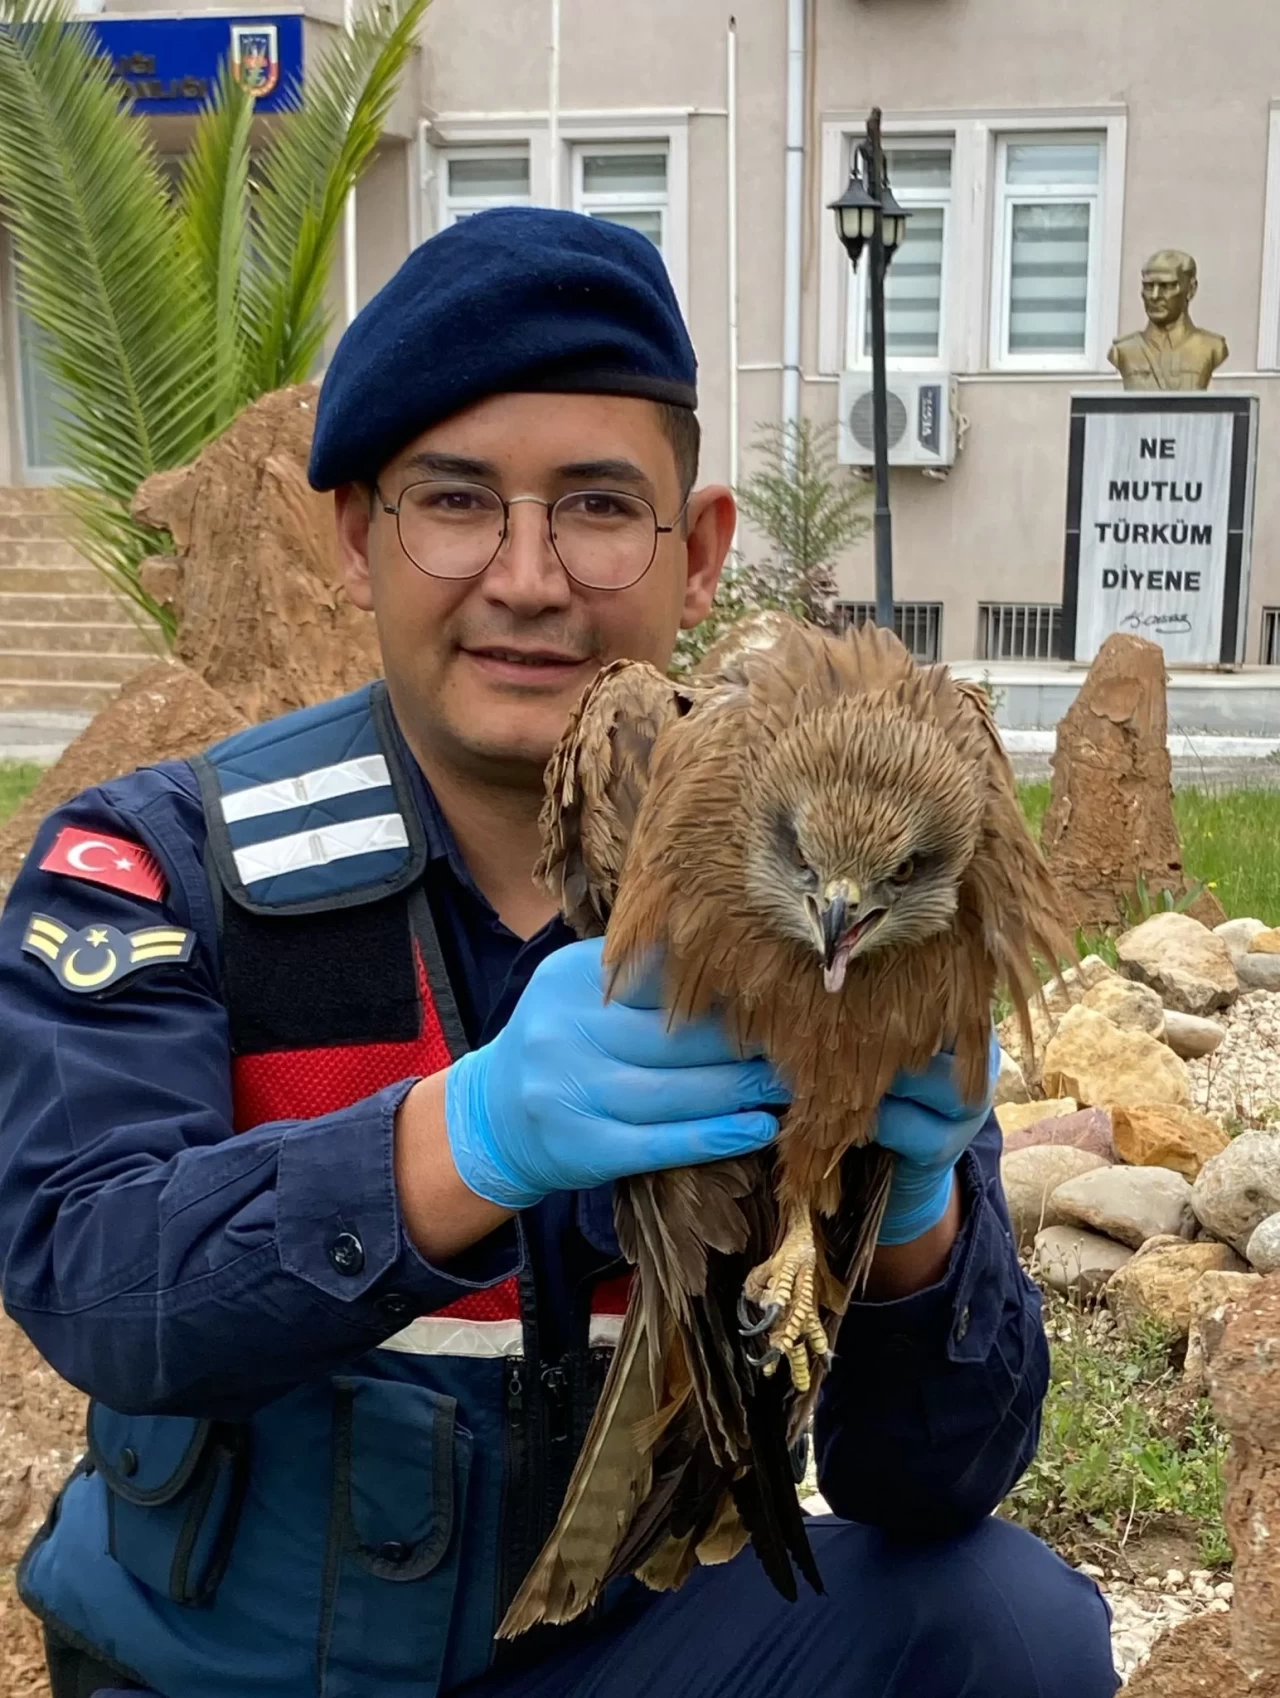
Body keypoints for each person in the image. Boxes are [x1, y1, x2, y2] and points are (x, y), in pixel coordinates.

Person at [0, 208, 1117, 1698]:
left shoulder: (841, 855)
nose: (526, 577)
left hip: (620, 1640)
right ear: (354, 537)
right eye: (455, 501)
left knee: (1004, 1632)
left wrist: (912, 1226)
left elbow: (931, 1480)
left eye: (596, 507)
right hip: (222, 1667)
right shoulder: (160, 864)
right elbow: (92, 1280)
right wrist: (456, 1144)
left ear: (697, 552)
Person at [1107, 248, 1228, 390]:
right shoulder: (1123, 350)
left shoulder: (1212, 346)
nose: (1154, 296)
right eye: (1148, 286)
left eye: (1167, 286)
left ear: (1191, 289)